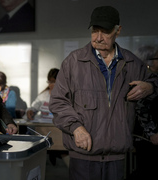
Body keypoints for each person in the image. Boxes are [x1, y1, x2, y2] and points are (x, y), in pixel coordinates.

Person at [49, 6, 158, 180]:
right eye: (94, 31)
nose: (98, 38)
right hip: (82, 158)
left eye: (105, 32)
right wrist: (76, 128)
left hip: (117, 159)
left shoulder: (131, 63)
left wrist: (150, 87)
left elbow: (155, 83)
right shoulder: (74, 62)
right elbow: (58, 102)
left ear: (118, 31)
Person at [131, 45, 158, 180]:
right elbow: (141, 106)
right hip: (146, 137)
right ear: (149, 61)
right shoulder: (146, 79)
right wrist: (152, 132)